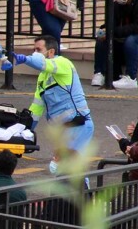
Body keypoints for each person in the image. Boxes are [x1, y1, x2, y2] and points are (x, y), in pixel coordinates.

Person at [13, 35, 94, 175]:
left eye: (38, 50)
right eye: (34, 50)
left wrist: (25, 59)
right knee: (65, 172)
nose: (35, 53)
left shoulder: (63, 63)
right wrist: (24, 131)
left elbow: (42, 64)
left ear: (51, 52)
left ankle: (81, 188)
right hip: (63, 130)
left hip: (78, 125)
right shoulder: (42, 77)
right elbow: (37, 108)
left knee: (70, 170)